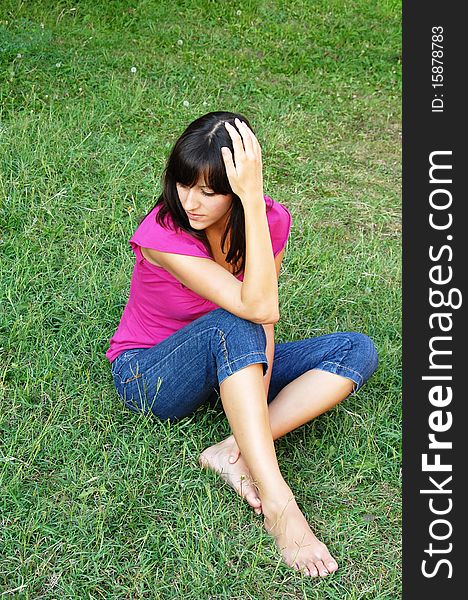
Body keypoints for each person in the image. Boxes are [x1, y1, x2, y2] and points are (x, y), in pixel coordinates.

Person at [106, 111, 378, 577]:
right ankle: (280, 507)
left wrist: (253, 204)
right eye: (183, 183)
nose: (191, 201)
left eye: (210, 192)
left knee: (356, 351)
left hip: (227, 360)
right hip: (148, 373)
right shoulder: (162, 232)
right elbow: (258, 310)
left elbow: (264, 316)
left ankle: (231, 446)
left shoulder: (269, 220)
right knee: (234, 320)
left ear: (238, 188)